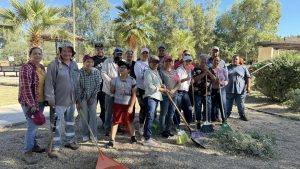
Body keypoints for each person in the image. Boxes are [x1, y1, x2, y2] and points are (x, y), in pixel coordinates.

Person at [45, 42, 80, 158]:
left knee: (70, 121)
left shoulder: (74, 65)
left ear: (72, 53)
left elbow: (76, 82)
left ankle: (69, 141)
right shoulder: (53, 65)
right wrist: (50, 98)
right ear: (60, 52)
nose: (66, 53)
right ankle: (55, 146)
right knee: (56, 124)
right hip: (58, 100)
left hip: (71, 100)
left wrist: (77, 97)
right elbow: (49, 83)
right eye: (64, 51)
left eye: (69, 51)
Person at [19, 47, 46, 164]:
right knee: (32, 127)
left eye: (39, 54)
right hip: (30, 103)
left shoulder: (41, 67)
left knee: (36, 126)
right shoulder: (26, 68)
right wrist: (32, 104)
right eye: (35, 53)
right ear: (30, 55)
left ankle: (34, 146)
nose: (37, 56)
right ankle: (27, 152)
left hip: (40, 101)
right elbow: (25, 88)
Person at [106, 61, 137, 148]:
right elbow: (112, 92)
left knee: (130, 120)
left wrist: (131, 106)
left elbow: (134, 94)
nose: (122, 69)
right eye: (120, 67)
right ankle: (112, 140)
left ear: (128, 70)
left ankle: (133, 137)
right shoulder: (115, 79)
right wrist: (111, 85)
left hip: (128, 104)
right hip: (118, 103)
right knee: (115, 121)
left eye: (124, 68)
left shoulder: (132, 80)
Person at [143, 55, 168, 146]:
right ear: (149, 62)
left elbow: (160, 83)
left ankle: (148, 136)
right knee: (150, 116)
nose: (155, 64)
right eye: (153, 62)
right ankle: (147, 138)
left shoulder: (156, 72)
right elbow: (150, 86)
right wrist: (161, 89)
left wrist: (163, 85)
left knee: (152, 116)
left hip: (156, 97)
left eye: (157, 62)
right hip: (150, 97)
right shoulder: (147, 72)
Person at [77, 55, 101, 142]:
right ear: (84, 63)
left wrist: (92, 96)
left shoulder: (96, 72)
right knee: (84, 116)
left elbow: (98, 85)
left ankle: (93, 135)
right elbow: (78, 87)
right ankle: (85, 134)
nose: (89, 63)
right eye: (87, 61)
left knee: (93, 115)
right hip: (82, 96)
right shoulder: (79, 73)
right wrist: (78, 101)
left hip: (93, 95)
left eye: (91, 62)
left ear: (93, 63)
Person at [101, 48, 123, 136]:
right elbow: (103, 73)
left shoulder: (123, 62)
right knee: (108, 111)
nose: (119, 55)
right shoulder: (107, 61)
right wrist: (110, 81)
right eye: (117, 54)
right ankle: (107, 128)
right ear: (113, 53)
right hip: (109, 90)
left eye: (120, 54)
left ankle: (119, 127)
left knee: (119, 111)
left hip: (120, 91)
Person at [159, 56, 181, 138]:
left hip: (174, 95)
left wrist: (174, 90)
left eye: (170, 61)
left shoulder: (174, 72)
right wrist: (166, 90)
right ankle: (162, 130)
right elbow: (160, 84)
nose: (168, 63)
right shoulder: (161, 72)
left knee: (171, 114)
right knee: (163, 113)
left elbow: (179, 83)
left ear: (172, 63)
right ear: (164, 62)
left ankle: (168, 129)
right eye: (166, 61)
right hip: (165, 96)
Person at [192, 54, 216, 129]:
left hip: (207, 92)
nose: (203, 61)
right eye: (202, 59)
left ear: (206, 61)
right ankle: (198, 122)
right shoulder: (195, 69)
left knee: (207, 108)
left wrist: (208, 71)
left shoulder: (210, 69)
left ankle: (206, 122)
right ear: (199, 60)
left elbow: (214, 78)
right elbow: (195, 79)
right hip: (197, 92)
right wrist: (203, 74)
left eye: (205, 60)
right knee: (198, 107)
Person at [226, 55, 251, 121]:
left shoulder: (243, 68)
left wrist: (248, 87)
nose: (235, 60)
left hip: (240, 90)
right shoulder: (227, 68)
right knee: (228, 105)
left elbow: (248, 78)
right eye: (233, 59)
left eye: (236, 59)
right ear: (232, 60)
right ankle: (226, 115)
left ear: (239, 60)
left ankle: (242, 115)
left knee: (240, 104)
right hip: (229, 90)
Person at [174, 55, 194, 129]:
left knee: (189, 108)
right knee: (177, 109)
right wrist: (186, 79)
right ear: (184, 62)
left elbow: (189, 82)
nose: (188, 63)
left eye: (190, 61)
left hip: (185, 92)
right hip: (178, 91)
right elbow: (177, 80)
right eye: (187, 61)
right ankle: (177, 125)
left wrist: (191, 81)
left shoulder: (189, 70)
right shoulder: (179, 69)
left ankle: (188, 124)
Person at [134, 48, 149, 135]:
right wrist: (148, 74)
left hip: (149, 89)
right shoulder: (138, 64)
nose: (145, 54)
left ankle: (148, 125)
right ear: (141, 54)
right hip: (140, 89)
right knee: (143, 108)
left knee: (149, 108)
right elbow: (139, 76)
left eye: (146, 53)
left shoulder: (150, 63)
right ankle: (141, 126)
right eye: (143, 53)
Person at [93, 43, 107, 125]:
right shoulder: (92, 59)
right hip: (95, 88)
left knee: (104, 107)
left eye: (101, 49)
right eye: (98, 49)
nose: (100, 51)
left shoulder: (107, 60)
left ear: (103, 50)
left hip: (104, 88)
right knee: (93, 106)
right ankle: (92, 123)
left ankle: (104, 122)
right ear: (96, 50)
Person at [211, 56, 228, 123]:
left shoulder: (223, 70)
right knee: (213, 105)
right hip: (212, 89)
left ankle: (224, 120)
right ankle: (213, 119)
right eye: (215, 60)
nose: (216, 62)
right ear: (213, 61)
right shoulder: (210, 70)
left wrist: (221, 82)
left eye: (218, 60)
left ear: (220, 62)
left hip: (221, 89)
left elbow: (227, 80)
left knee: (222, 104)